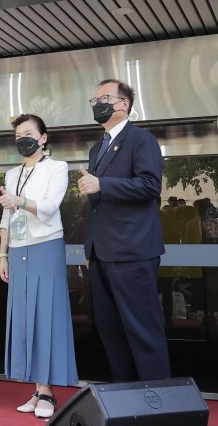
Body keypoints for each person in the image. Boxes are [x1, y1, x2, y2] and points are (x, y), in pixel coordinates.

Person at [78, 79, 170, 381]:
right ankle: (126, 396)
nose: (98, 105)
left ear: (124, 103)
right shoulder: (97, 148)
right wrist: (89, 248)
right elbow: (96, 206)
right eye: (95, 101)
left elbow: (150, 185)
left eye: (104, 98)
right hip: (101, 254)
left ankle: (156, 399)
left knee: (143, 329)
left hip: (133, 251)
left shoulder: (141, 139)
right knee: (110, 329)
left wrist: (102, 184)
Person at [0, 114, 78, 418]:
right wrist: (2, 256)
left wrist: (18, 201)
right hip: (18, 249)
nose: (23, 139)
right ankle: (37, 388)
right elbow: (6, 218)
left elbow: (49, 206)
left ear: (43, 138)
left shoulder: (57, 167)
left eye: (29, 133)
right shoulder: (12, 173)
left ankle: (47, 392)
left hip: (46, 245)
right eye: (18, 135)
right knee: (25, 319)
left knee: (46, 317)